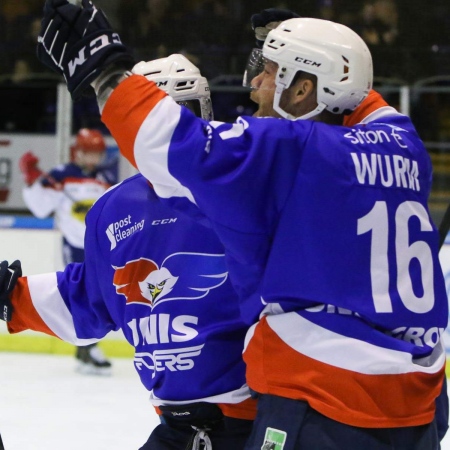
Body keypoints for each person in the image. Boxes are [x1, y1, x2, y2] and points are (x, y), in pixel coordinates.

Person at [34, 2, 448, 449]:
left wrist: (104, 69)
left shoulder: (286, 151)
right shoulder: (404, 143)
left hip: (323, 400)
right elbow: (354, 95)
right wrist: (314, 49)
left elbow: (173, 144)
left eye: (270, 71)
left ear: (303, 88)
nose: (254, 84)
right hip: (422, 405)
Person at [1, 54, 256, 450]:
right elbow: (92, 295)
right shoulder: (113, 207)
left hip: (257, 423)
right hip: (174, 429)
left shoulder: (245, 182)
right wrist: (12, 297)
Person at [18, 127, 115, 375]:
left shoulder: (104, 177)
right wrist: (31, 181)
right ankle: (89, 347)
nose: (93, 159)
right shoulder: (61, 176)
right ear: (78, 152)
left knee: (100, 294)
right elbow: (41, 207)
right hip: (73, 245)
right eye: (88, 153)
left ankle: (85, 348)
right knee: (84, 293)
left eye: (97, 153)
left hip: (98, 246)